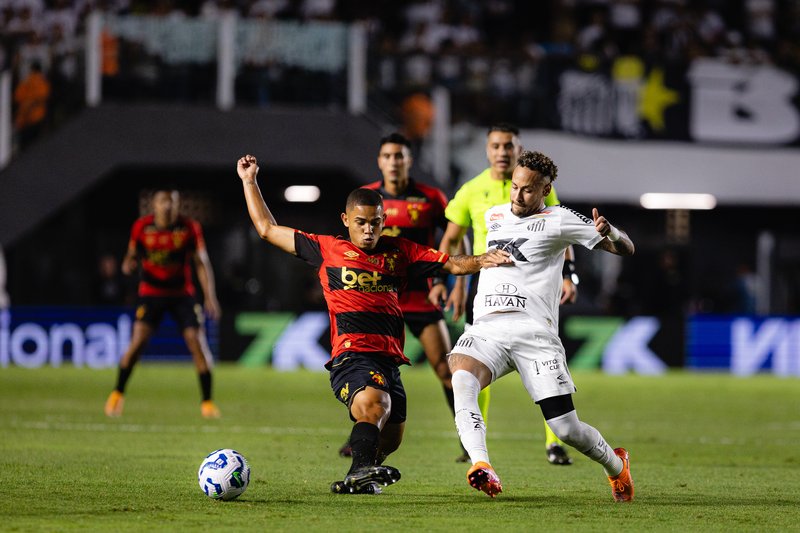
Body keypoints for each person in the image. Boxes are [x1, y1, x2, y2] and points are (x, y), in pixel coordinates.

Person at [235, 154, 512, 495]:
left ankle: (357, 477)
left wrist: (482, 259)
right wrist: (250, 181)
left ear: (384, 221)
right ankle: (362, 469)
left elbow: (452, 263)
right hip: (352, 356)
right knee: (376, 406)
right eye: (361, 222)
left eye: (375, 223)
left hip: (388, 362)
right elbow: (266, 229)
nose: (368, 230)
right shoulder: (327, 249)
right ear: (345, 220)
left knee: (391, 437)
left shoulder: (401, 252)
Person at [449, 150, 635, 501]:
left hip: (534, 333)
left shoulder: (560, 219)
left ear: (545, 190)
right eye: (514, 187)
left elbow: (626, 248)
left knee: (565, 429)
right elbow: (461, 257)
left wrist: (611, 232)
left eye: (528, 190)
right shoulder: (494, 215)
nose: (518, 196)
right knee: (462, 378)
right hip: (487, 328)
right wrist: (473, 263)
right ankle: (481, 465)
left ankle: (616, 464)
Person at [435, 122, 578, 465]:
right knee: (473, 365)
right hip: (487, 287)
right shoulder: (471, 190)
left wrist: (569, 274)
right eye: (496, 146)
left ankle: (555, 442)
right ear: (487, 150)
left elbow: (561, 229)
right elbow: (452, 240)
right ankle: (473, 442)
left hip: (536, 287)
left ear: (518, 149)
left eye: (508, 146)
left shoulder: (535, 184)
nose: (502, 152)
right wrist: (450, 282)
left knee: (546, 362)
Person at [358, 132, 468, 461]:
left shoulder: (430, 198)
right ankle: (361, 438)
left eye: (399, 155)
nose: (394, 162)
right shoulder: (368, 198)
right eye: (388, 156)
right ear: (379, 161)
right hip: (380, 299)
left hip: (420, 298)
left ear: (409, 160)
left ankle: (467, 440)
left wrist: (451, 283)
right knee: (366, 373)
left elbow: (456, 234)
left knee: (446, 370)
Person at [104, 187, 223, 419]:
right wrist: (128, 264)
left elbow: (201, 262)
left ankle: (208, 404)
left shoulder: (189, 228)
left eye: (172, 202)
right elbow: (131, 255)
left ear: (177, 206)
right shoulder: (142, 227)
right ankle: (117, 394)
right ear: (154, 205)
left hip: (182, 294)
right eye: (163, 201)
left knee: (197, 344)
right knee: (137, 344)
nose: (167, 206)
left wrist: (210, 296)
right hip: (151, 293)